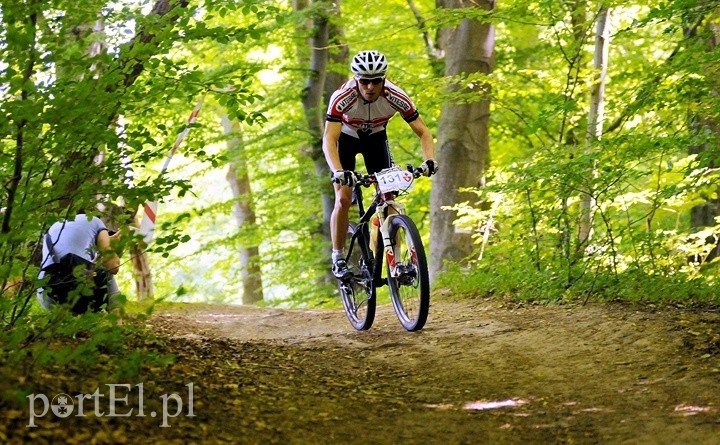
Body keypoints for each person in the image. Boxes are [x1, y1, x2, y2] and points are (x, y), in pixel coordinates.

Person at [322, 50, 438, 279]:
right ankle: (337, 256)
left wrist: (429, 160)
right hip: (345, 139)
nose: (370, 87)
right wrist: (338, 172)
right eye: (364, 81)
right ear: (356, 79)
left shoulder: (395, 95)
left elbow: (423, 131)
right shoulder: (342, 96)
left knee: (389, 199)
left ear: (384, 78)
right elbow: (329, 139)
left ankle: (394, 262)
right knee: (343, 198)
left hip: (376, 139)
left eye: (376, 81)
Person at [37, 211, 123, 315]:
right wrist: (111, 248)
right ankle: (117, 325)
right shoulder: (96, 222)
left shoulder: (54, 227)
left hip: (48, 293)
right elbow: (113, 267)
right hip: (77, 288)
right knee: (106, 273)